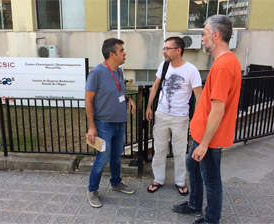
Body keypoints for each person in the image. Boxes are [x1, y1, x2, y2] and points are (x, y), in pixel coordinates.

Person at [173, 15, 242, 224]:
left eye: (204, 34)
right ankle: (195, 204)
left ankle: (211, 219)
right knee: (192, 166)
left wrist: (203, 144)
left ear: (215, 35)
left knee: (211, 181)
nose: (202, 39)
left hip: (210, 138)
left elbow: (218, 110)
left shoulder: (223, 66)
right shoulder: (226, 61)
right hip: (202, 134)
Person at [146, 37, 202, 195]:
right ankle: (158, 179)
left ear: (178, 50)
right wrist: (149, 107)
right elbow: (156, 86)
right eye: (164, 48)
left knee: (179, 151)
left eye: (167, 48)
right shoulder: (164, 65)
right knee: (159, 149)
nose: (164, 51)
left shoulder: (191, 70)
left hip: (180, 118)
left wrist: (196, 118)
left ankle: (180, 181)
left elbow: (199, 96)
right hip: (162, 114)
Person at [85, 38, 136, 208]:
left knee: (116, 157)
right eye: (122, 50)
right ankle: (92, 190)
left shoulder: (119, 72)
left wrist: (128, 99)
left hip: (119, 123)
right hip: (104, 125)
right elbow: (88, 101)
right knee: (102, 158)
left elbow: (118, 91)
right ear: (112, 54)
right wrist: (92, 127)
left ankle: (116, 183)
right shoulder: (97, 73)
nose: (125, 53)